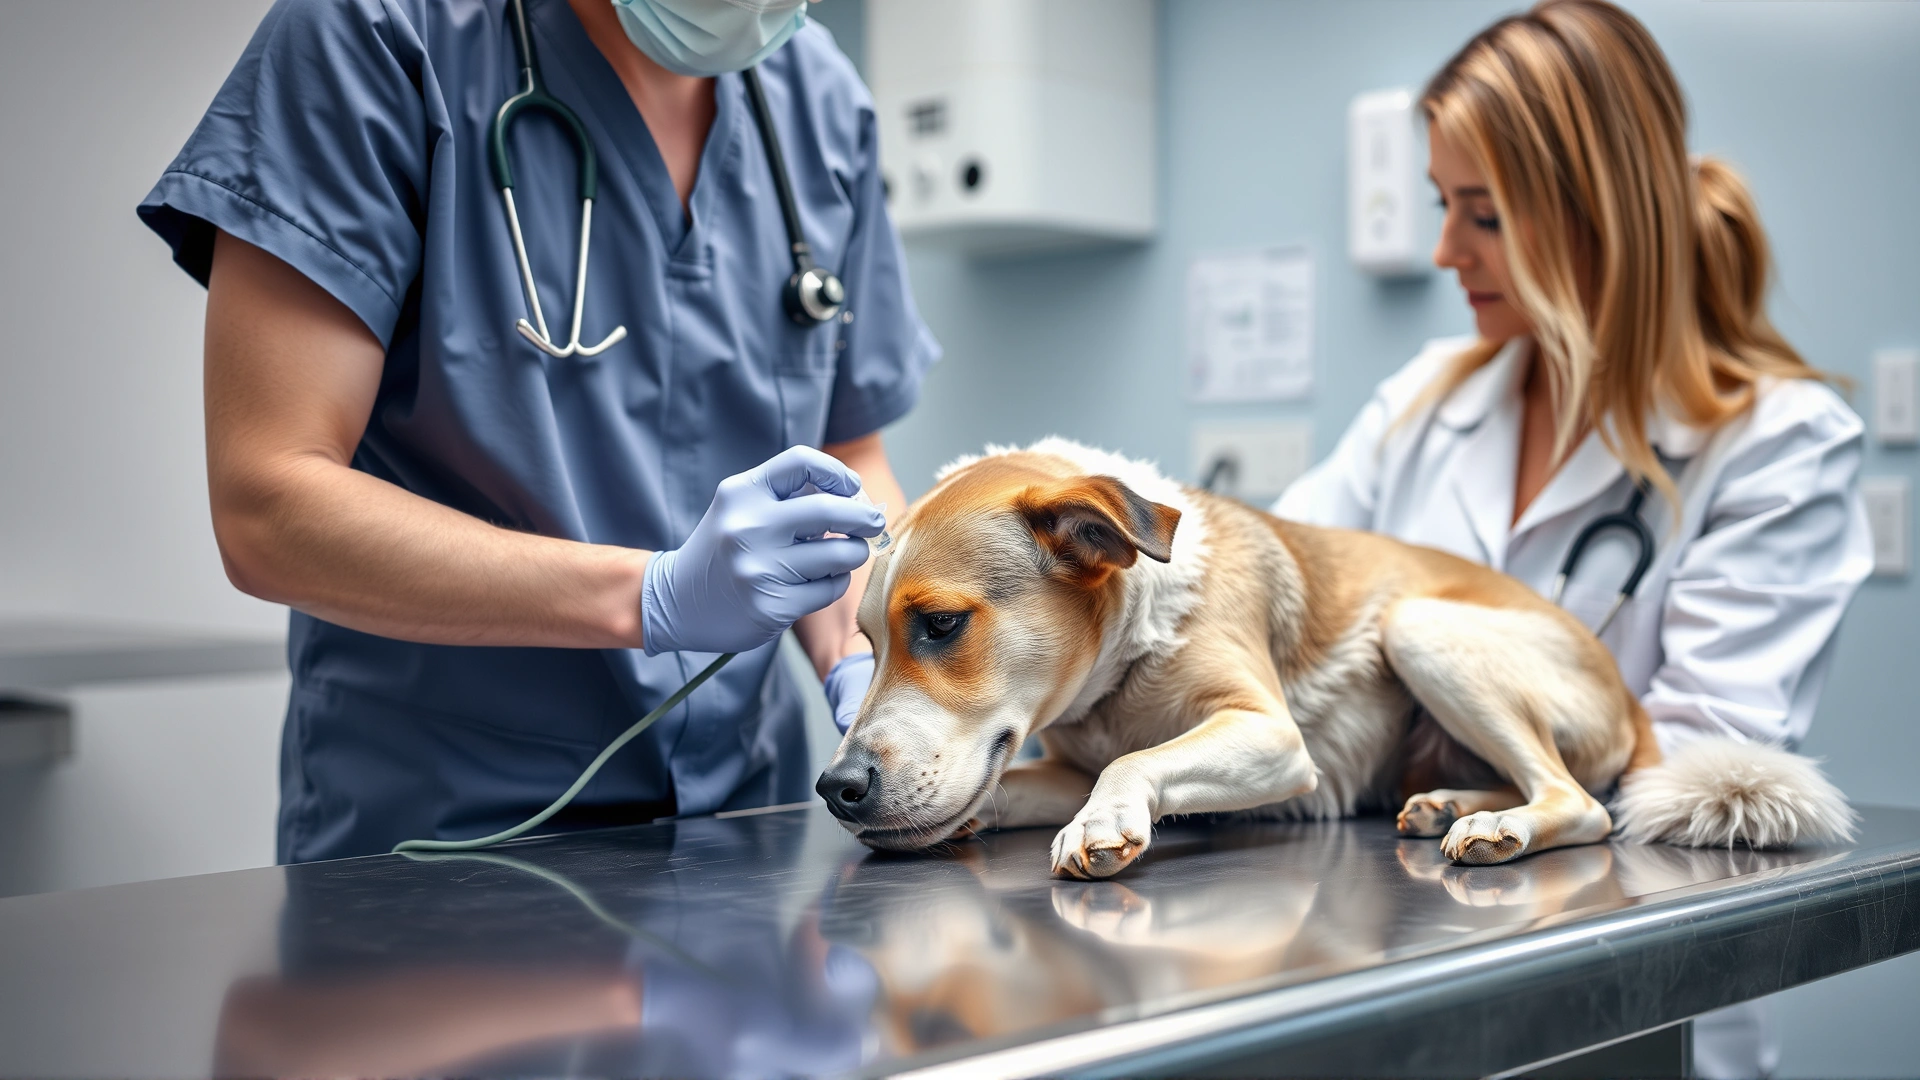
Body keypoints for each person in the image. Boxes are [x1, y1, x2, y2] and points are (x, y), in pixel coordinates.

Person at [137, 0, 936, 863]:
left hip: (745, 830)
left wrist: (872, 656)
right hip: (449, 842)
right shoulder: (376, 33)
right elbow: (271, 502)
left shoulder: (816, 98)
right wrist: (653, 596)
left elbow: (850, 457)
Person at [1276, 4, 1870, 1075]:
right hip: (1404, 979)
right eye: (1441, 205)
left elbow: (1685, 783)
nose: (1445, 249)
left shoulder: (1777, 443)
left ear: (1603, 210)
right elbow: (1287, 594)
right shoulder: (1422, 403)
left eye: (1484, 214)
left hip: (1634, 1006)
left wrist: (1475, 753)